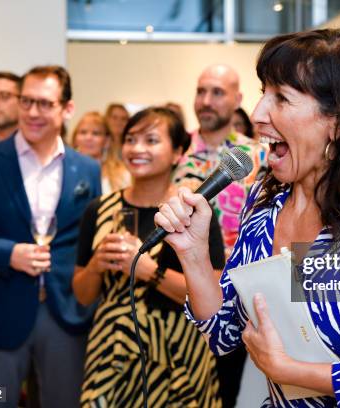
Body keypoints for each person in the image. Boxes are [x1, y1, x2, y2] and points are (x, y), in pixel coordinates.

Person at [155, 29, 340, 407]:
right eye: (263, 93)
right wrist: (194, 252)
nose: (258, 114)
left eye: (281, 98)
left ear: (339, 121)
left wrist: (290, 371)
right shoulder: (264, 204)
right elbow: (223, 333)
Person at [0, 65, 102, 407]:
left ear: (66, 109)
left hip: (65, 314)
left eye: (44, 103)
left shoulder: (87, 169)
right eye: (26, 101)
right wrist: (6, 252)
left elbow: (87, 243)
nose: (32, 112)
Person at [73, 107, 224, 407]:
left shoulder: (192, 210)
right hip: (112, 347)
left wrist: (149, 271)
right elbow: (82, 295)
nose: (137, 149)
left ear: (177, 152)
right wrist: (96, 265)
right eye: (130, 139)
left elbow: (216, 295)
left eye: (151, 140)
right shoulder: (99, 209)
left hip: (179, 351)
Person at [172, 63, 267, 407]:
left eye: (217, 92)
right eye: (201, 91)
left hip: (236, 300)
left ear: (238, 99)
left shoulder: (257, 156)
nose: (206, 101)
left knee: (224, 395)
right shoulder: (174, 152)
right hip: (178, 295)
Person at [71, 111, 131, 194]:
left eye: (96, 133)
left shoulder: (123, 174)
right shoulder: (64, 170)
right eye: (83, 132)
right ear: (75, 138)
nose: (88, 138)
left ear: (107, 141)